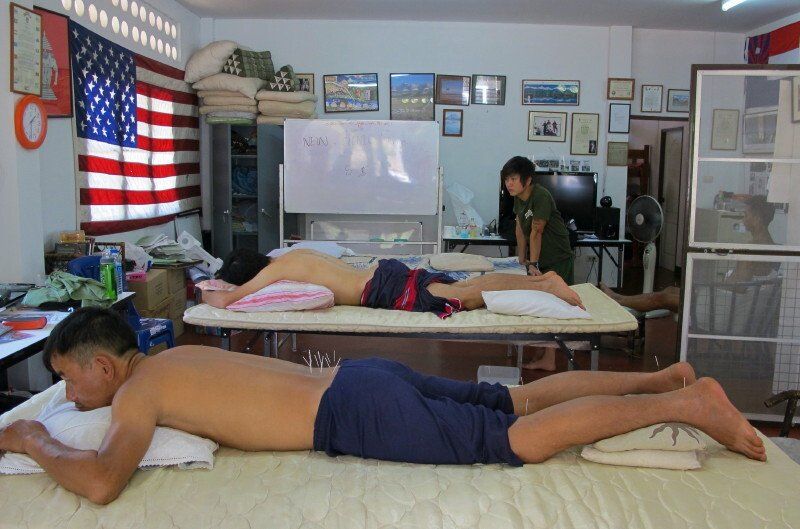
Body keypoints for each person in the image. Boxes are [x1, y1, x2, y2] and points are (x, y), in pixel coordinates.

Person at [0, 308, 766, 504]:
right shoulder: (173, 355)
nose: (71, 397)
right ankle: (663, 379)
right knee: (516, 395)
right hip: (356, 377)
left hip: (352, 415)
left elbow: (102, 480)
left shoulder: (141, 388)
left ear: (105, 364)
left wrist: (31, 436)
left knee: (521, 437)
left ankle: (694, 402)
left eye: (70, 380)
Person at [203, 247, 584, 317]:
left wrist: (209, 288)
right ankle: (544, 281)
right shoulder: (295, 255)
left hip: (382, 289)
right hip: (383, 275)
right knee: (466, 290)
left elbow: (231, 299)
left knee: (467, 296)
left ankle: (546, 286)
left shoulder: (275, 271)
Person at [601, 194, 778, 314]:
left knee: (660, 298)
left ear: (757, 217)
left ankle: (618, 300)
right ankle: (619, 298)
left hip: (722, 308)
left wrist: (710, 285)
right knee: (670, 290)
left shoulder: (752, 248)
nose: (743, 218)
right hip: (731, 302)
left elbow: (736, 287)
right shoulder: (771, 244)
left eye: (746, 214)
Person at [502, 155, 576, 370]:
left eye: (514, 179)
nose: (509, 184)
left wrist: (532, 263)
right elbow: (520, 229)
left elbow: (536, 231)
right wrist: (521, 258)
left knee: (554, 304)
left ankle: (551, 359)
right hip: (540, 257)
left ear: (527, 180)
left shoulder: (541, 196)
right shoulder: (518, 198)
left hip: (557, 257)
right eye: (507, 179)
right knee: (542, 304)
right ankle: (544, 352)